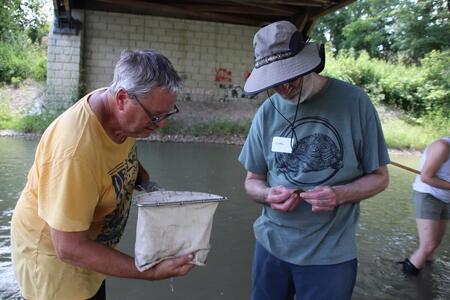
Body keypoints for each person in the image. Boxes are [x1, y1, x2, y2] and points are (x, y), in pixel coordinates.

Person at [11, 49, 194, 300]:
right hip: (57, 267)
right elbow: (69, 248)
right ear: (121, 98)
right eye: (155, 116)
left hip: (91, 255)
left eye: (167, 114)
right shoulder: (74, 151)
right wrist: (148, 271)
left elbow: (114, 159)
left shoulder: (118, 116)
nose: (162, 124)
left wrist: (141, 178)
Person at [238, 21, 390, 300]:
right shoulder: (267, 112)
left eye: (290, 77)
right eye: (274, 83)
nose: (283, 88)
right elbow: (252, 181)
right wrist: (268, 194)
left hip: (331, 256)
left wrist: (340, 194)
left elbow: (380, 176)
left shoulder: (355, 103)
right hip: (270, 246)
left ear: (308, 64)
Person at [400, 137, 450, 276]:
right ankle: (407, 280)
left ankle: (425, 274)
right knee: (428, 245)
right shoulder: (443, 147)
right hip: (428, 195)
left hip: (446, 198)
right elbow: (426, 177)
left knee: (436, 243)